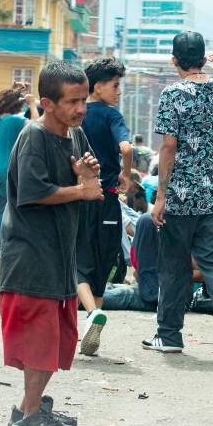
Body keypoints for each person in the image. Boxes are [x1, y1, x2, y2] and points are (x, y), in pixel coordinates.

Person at [0, 61, 102, 426]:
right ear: (47, 103)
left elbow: (90, 179)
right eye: (73, 102)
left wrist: (89, 175)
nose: (80, 109)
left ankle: (32, 406)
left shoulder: (74, 135)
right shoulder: (34, 137)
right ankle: (29, 415)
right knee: (39, 343)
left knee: (56, 340)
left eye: (83, 100)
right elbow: (32, 192)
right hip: (30, 256)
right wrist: (81, 190)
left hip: (60, 253)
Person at [143, 31, 213, 363]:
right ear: (204, 58)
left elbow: (169, 146)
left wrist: (160, 196)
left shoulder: (172, 94)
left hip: (182, 196)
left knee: (174, 265)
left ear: (174, 60)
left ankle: (170, 335)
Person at [75, 57, 132, 356]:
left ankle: (90, 317)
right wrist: (127, 175)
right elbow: (126, 147)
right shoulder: (112, 116)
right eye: (115, 85)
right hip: (109, 200)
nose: (119, 92)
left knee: (77, 262)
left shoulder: (79, 114)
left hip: (82, 197)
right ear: (97, 86)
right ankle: (91, 325)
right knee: (102, 265)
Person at [0, 83, 38, 261]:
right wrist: (32, 104)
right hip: (8, 171)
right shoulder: (16, 121)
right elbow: (37, 124)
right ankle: (1, 249)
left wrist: (17, 91)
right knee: (4, 211)